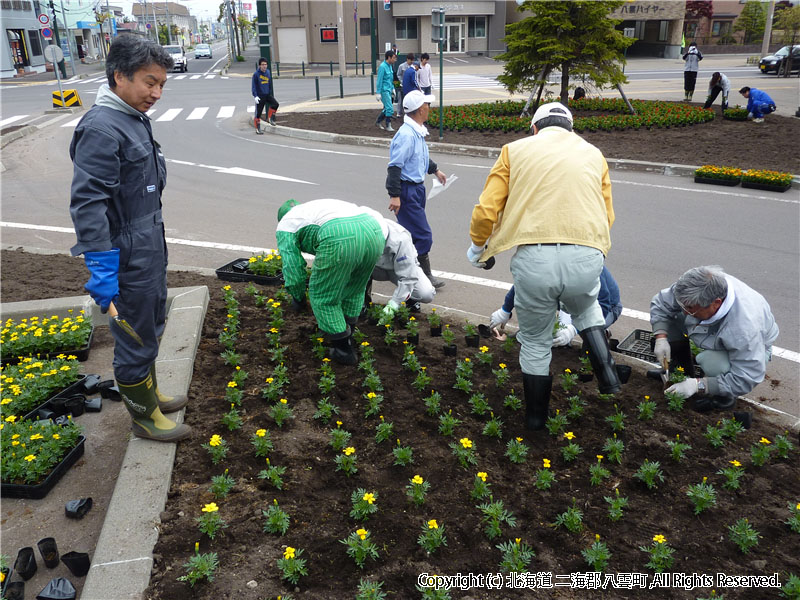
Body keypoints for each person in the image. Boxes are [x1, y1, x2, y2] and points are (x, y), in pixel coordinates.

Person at [467, 102, 621, 431]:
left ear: (534, 129)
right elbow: (606, 215)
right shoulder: (594, 153)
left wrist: (478, 245)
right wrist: (596, 253)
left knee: (536, 341)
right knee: (586, 306)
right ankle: (607, 376)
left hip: (535, 259)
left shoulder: (514, 150)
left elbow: (486, 209)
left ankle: (536, 419)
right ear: (571, 128)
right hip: (586, 252)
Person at [69, 35, 190, 443]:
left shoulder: (131, 117)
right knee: (134, 333)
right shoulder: (102, 128)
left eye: (161, 85)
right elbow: (88, 203)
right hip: (124, 251)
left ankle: (150, 395)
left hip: (147, 241)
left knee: (150, 321)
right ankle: (143, 418)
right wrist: (101, 265)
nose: (156, 93)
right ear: (119, 76)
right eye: (149, 82)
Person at [650, 266, 778, 412]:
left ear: (716, 303)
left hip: (750, 348)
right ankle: (679, 372)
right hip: (707, 327)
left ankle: (725, 397)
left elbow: (747, 376)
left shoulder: (744, 328)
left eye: (690, 308)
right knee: (671, 317)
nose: (685, 312)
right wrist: (661, 337)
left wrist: (699, 385)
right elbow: (662, 304)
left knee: (712, 362)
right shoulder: (696, 286)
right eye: (683, 306)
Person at [276, 199, 386, 365]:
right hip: (373, 230)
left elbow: (293, 267)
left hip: (340, 235)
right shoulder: (313, 209)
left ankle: (343, 350)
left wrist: (298, 298)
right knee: (355, 288)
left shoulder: (286, 225)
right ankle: (348, 330)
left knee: (323, 295)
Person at [386, 90, 448, 289]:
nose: (429, 108)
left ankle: (403, 269)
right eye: (427, 105)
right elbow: (395, 166)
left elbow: (420, 157)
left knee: (411, 234)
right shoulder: (406, 135)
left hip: (416, 189)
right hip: (406, 190)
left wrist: (435, 170)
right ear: (421, 109)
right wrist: (395, 196)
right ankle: (422, 275)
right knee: (422, 235)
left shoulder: (416, 131)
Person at [489, 265, 623, 347]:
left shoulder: (589, 263)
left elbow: (603, 305)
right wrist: (505, 310)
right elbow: (523, 282)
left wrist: (573, 330)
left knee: (587, 335)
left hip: (606, 308)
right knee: (552, 334)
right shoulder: (546, 258)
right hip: (567, 301)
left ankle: (599, 336)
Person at [371, 218, 436, 319]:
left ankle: (410, 299)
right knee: (356, 270)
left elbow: (408, 277)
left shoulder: (400, 239)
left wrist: (393, 305)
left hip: (397, 269)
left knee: (426, 294)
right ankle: (363, 302)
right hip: (372, 268)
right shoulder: (361, 234)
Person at [252, 58, 279, 133]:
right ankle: (258, 129)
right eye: (263, 64)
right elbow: (253, 86)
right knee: (258, 114)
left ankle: (270, 118)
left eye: (265, 64)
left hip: (267, 94)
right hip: (260, 96)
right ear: (260, 65)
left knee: (275, 104)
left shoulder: (268, 72)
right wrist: (255, 96)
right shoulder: (256, 74)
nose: (264, 66)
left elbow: (269, 82)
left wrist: (269, 91)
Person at [375, 49, 397, 131]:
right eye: (394, 58)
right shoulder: (382, 67)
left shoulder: (390, 66)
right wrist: (378, 92)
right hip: (384, 91)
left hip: (388, 90)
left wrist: (392, 89)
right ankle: (388, 125)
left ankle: (378, 122)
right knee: (389, 108)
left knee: (387, 108)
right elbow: (379, 80)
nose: (395, 60)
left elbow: (390, 79)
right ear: (389, 57)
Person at [396, 53, 414, 117]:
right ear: (407, 59)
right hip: (402, 85)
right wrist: (402, 81)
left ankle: (408, 112)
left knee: (409, 99)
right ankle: (399, 112)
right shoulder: (402, 66)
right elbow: (398, 74)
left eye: (412, 60)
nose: (411, 61)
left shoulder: (413, 67)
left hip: (409, 86)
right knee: (400, 99)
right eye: (410, 60)